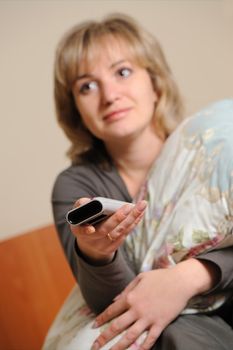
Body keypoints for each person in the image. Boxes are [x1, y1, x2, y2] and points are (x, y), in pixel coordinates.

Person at [43, 13, 233, 350]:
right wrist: (96, 253)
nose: (109, 94)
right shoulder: (75, 184)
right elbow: (111, 303)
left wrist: (188, 277)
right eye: (87, 86)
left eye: (123, 72)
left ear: (155, 82)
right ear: (75, 110)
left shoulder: (210, 149)